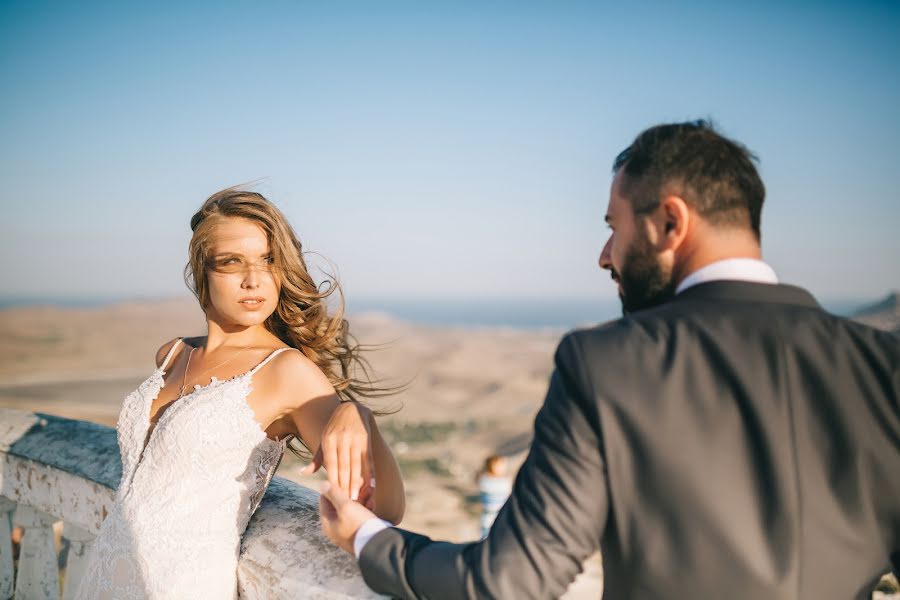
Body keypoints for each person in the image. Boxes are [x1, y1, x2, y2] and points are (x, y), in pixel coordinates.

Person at [318, 120, 900, 599]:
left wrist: (368, 537)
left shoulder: (607, 363)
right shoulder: (883, 364)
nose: (604, 256)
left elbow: (508, 581)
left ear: (671, 223)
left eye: (613, 227)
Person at [76, 188, 405, 599]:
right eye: (232, 262)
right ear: (203, 271)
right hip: (104, 575)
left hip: (181, 586)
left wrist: (360, 417)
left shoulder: (286, 372)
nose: (254, 280)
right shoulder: (172, 353)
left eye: (268, 261)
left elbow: (383, 510)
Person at [476, 455, 513, 538]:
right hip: (493, 516)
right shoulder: (491, 482)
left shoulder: (484, 480)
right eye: (501, 466)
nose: (504, 468)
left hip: (497, 516)